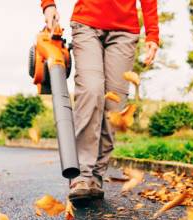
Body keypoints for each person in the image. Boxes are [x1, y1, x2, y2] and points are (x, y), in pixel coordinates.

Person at [40, 0, 159, 201]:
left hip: (125, 31)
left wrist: (152, 33)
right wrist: (48, 4)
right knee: (91, 90)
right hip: (87, 23)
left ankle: (96, 175)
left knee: (115, 104)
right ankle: (82, 175)